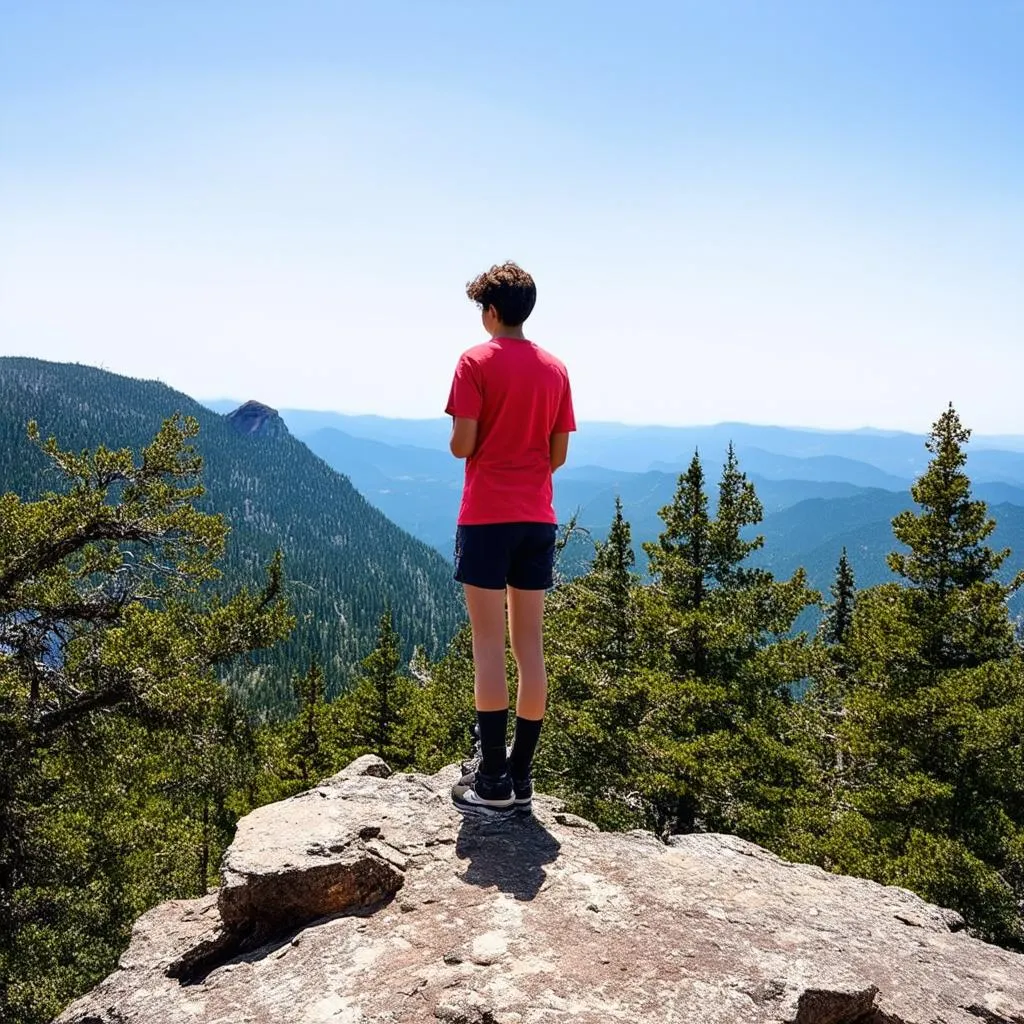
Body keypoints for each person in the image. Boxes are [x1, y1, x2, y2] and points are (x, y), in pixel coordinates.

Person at [445, 262, 575, 815]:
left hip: (486, 518)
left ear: (492, 311)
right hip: (536, 518)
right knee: (530, 647)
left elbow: (462, 444)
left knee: (487, 645)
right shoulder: (556, 369)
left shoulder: (474, 362)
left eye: (482, 308)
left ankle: (491, 780)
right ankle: (521, 776)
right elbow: (558, 454)